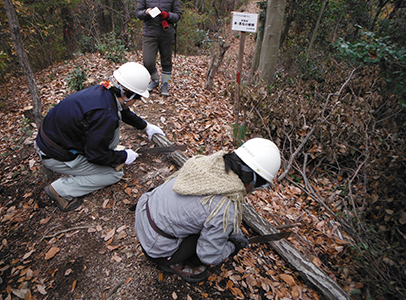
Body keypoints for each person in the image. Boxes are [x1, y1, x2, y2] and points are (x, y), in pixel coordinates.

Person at [134, 138, 281, 282]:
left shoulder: (207, 163)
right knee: (205, 248)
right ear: (253, 180)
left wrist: (233, 231)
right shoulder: (224, 207)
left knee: (211, 226)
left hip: (144, 215)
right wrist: (232, 246)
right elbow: (208, 256)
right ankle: (172, 263)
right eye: (260, 186)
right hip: (155, 245)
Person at [34, 62, 165, 212]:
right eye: (139, 98)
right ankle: (59, 190)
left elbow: (121, 109)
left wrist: (145, 126)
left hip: (54, 141)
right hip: (56, 155)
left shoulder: (105, 92)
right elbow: (95, 155)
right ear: (128, 94)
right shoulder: (106, 115)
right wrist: (122, 156)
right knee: (113, 174)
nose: (137, 102)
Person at [136, 0, 182, 97]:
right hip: (150, 33)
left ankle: (165, 84)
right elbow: (138, 13)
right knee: (148, 62)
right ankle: (155, 80)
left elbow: (177, 16)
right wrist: (146, 13)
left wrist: (167, 15)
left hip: (167, 33)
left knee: (166, 61)